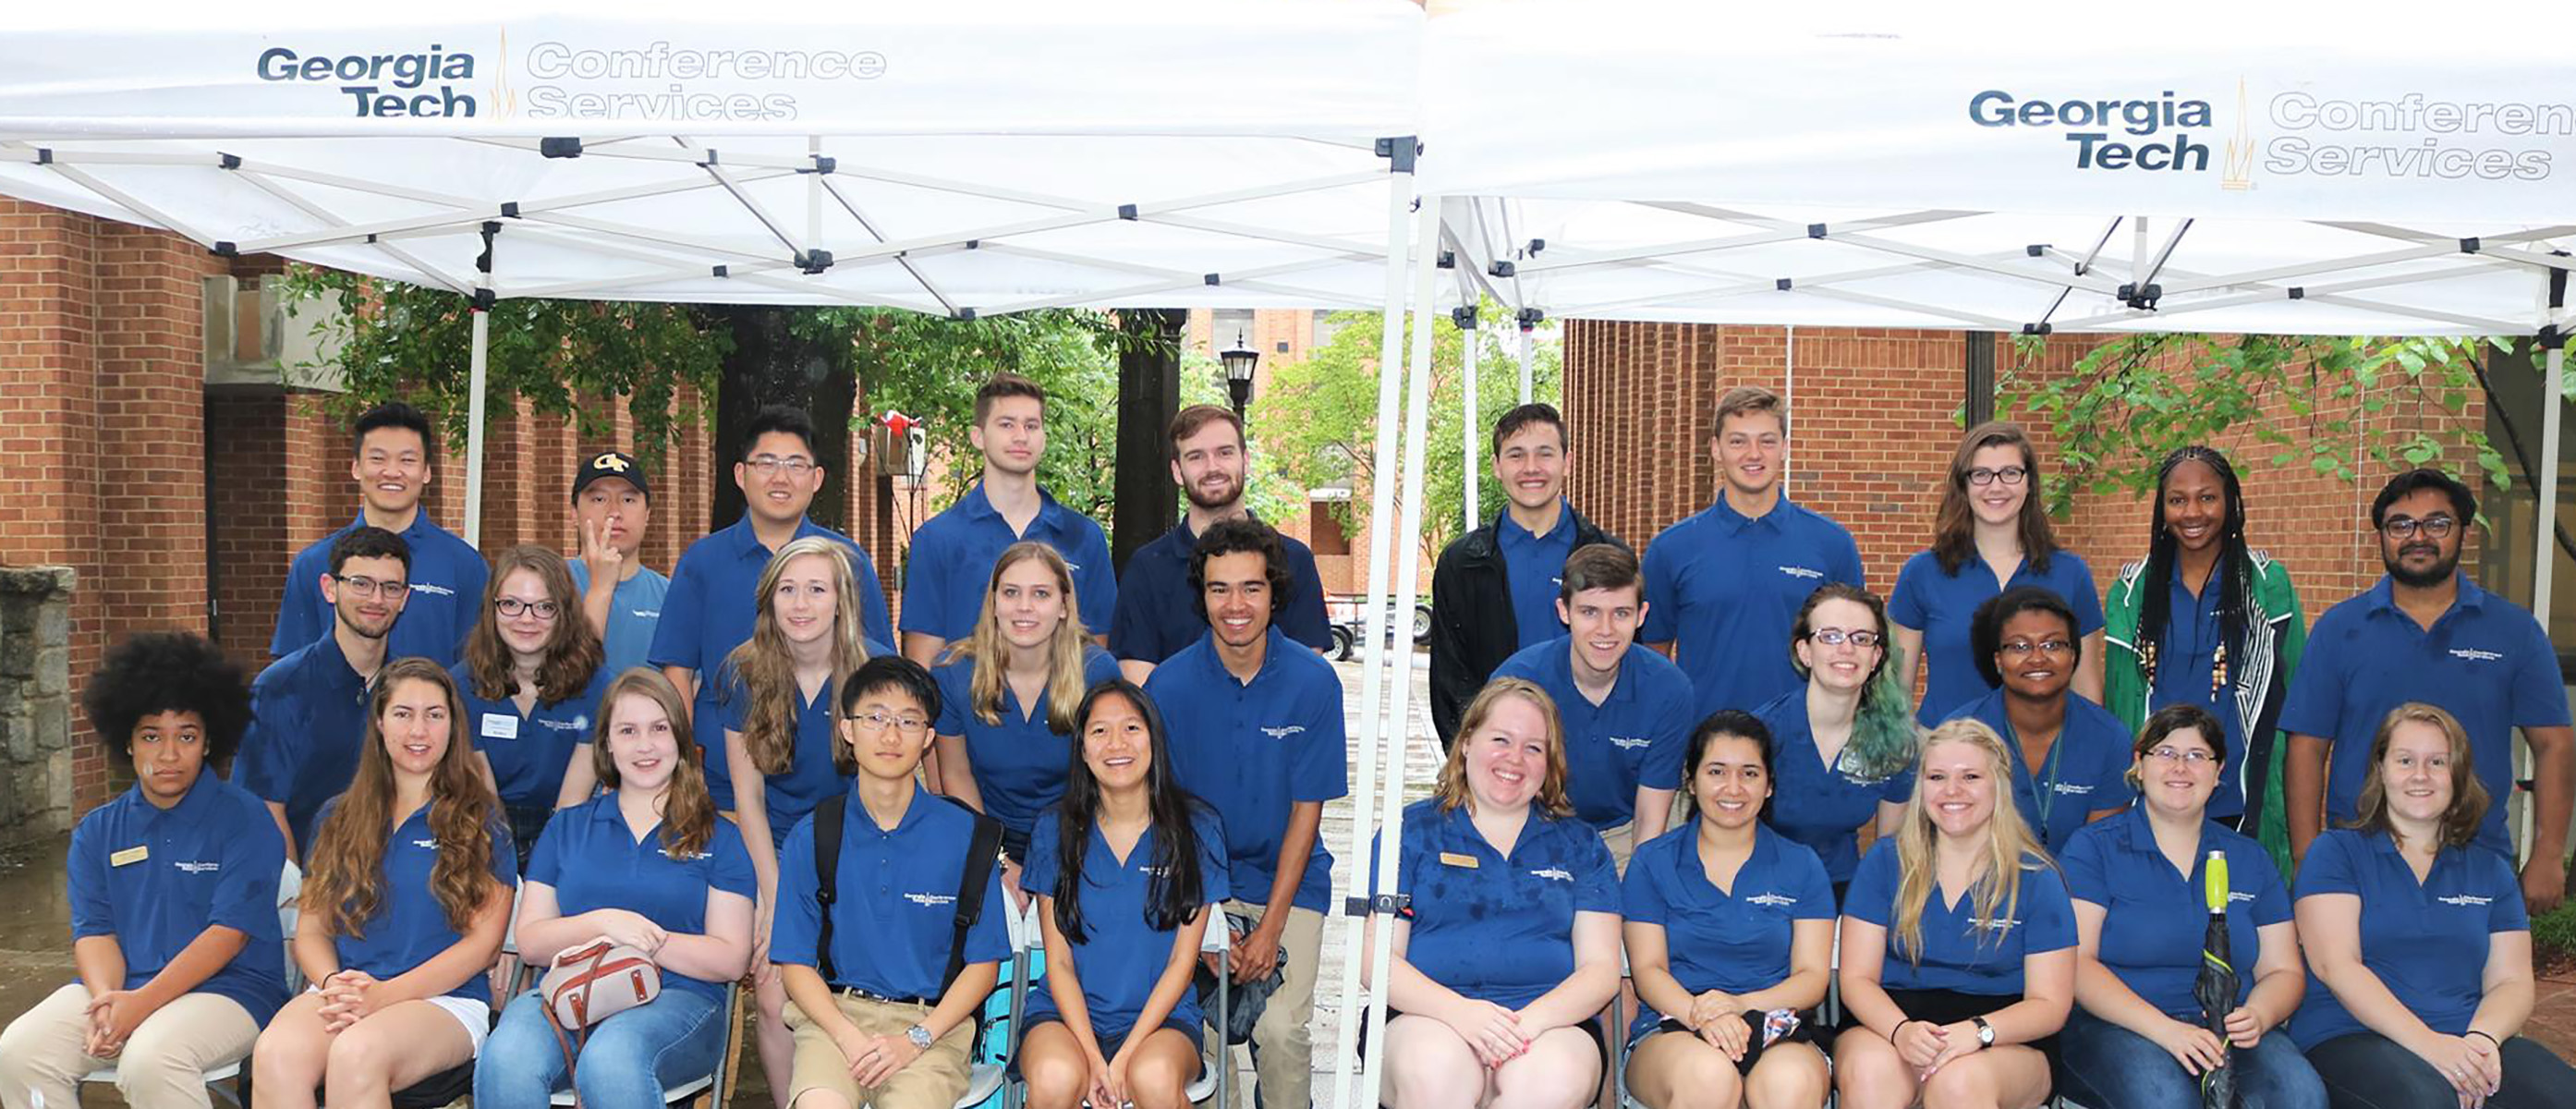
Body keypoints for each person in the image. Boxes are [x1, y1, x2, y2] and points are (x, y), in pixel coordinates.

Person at [0, 633, 286, 1109]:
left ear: (209, 739)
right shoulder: (97, 831)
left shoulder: (245, 819)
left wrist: (141, 1004)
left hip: (231, 992)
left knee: (152, 1059)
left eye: (186, 736)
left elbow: (230, 934)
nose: (169, 754)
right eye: (152, 735)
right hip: (123, 987)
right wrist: (108, 1000)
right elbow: (95, 932)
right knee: (19, 1052)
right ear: (128, 743)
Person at [2283, 468, 2572, 913]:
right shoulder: (2340, 629)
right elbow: (2306, 748)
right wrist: (2308, 858)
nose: (2418, 536)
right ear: (2381, 535)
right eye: (2400, 524)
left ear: (2464, 533)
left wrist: (2549, 854)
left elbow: (2554, 745)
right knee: (2349, 979)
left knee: (2483, 982)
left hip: (2476, 859)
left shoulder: (2514, 630)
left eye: (2437, 523)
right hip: (2359, 861)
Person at [473, 669, 756, 1109]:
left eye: (659, 728)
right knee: (505, 1055)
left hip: (679, 999)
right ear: (606, 743)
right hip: (570, 993)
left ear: (680, 739)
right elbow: (531, 942)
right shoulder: (566, 828)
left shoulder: (720, 836)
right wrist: (606, 924)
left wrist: (642, 940)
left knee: (611, 1057)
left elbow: (731, 957)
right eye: (628, 731)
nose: (645, 745)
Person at [248, 659, 516, 1109]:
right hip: (345, 991)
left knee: (357, 1053)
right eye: (403, 713)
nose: (419, 730)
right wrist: (335, 984)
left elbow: (484, 946)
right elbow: (311, 931)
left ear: (453, 726)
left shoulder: (482, 821)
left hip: (443, 1002)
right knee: (276, 1054)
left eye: (434, 714)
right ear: (379, 722)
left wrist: (385, 996)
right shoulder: (337, 817)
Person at [1141, 518, 1345, 1109]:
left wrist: (1270, 929)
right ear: (1201, 594)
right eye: (1219, 589)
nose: (1236, 605)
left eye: (1251, 588)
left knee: (1280, 1033)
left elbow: (1308, 812)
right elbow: (1165, 814)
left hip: (1290, 884)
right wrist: (1206, 924)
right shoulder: (1169, 685)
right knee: (1201, 1036)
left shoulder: (1313, 683)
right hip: (1200, 888)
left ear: (1274, 593)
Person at [2291, 703, 2576, 1109]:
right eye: (2405, 760)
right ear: (2382, 769)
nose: (2420, 775)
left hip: (2465, 1036)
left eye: (2437, 762)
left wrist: (2480, 1042)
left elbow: (2511, 981)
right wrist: (2434, 1049)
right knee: (2426, 1101)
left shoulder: (2490, 871)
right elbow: (2337, 966)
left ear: (2457, 775)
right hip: (2351, 1035)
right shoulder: (2336, 854)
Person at [1366, 677, 1622, 1109]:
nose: (1514, 759)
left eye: (1533, 748)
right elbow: (1377, 960)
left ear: (1550, 765)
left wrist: (1522, 1025)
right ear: (1466, 742)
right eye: (1501, 739)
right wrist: (1464, 1015)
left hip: (1548, 1026)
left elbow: (1600, 971)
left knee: (1549, 1085)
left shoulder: (1581, 846)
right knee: (1434, 1077)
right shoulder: (1409, 833)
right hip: (1428, 1017)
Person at [772, 656, 1011, 1109]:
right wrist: (848, 1036)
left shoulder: (969, 837)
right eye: (875, 718)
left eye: (908, 721)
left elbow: (984, 967)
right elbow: (794, 963)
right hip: (835, 1021)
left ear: (928, 738)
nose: (890, 734)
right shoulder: (815, 834)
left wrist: (915, 1039)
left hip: (932, 1027)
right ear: (847, 730)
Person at [2056, 704, 2324, 1109]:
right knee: (2167, 1101)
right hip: (2119, 1025)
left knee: (2300, 1095)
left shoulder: (2250, 859)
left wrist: (2259, 1014)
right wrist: (2166, 1031)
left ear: (2218, 774)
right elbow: (2077, 964)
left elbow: (2284, 970)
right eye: (2165, 753)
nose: (2180, 767)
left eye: (2198, 756)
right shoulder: (2093, 848)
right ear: (2139, 765)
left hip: (2228, 1028)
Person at [650, 404, 893, 842]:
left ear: (816, 479)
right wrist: (685, 769)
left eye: (796, 465)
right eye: (767, 463)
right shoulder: (703, 562)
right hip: (727, 793)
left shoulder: (848, 563)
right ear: (741, 475)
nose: (781, 478)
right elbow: (676, 674)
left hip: (840, 792)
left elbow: (881, 678)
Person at [717, 537, 885, 1106]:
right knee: (772, 987)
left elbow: (893, 793)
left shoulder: (877, 671)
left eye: (817, 589)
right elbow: (748, 797)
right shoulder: (743, 673)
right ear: (769, 600)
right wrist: (773, 896)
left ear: (841, 600)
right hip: (778, 849)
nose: (801, 603)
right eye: (788, 589)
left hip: (860, 847)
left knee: (856, 984)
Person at [1833, 718, 2076, 1109]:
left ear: (1998, 785)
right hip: (1894, 1022)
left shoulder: (2037, 879)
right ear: (1921, 786)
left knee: (1958, 1083)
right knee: (1870, 1073)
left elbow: (2050, 1005)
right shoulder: (1884, 862)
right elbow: (1857, 979)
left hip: (2003, 1036)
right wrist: (1900, 1032)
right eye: (1937, 776)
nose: (1952, 791)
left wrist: (1978, 1033)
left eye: (1971, 777)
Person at [1019, 681, 1231, 1109]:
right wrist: (1095, 1058)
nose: (1117, 743)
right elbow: (1058, 963)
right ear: (1081, 748)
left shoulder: (1198, 829)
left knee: (1151, 1077)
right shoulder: (1053, 829)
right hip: (1064, 1018)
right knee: (1055, 1076)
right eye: (1099, 731)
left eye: (1132, 728)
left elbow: (1181, 963)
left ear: (1154, 738)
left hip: (1162, 1022)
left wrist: (1126, 1055)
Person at [1622, 710, 1835, 1109]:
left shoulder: (1802, 865)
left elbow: (1812, 978)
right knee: (1709, 1078)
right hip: (1673, 1028)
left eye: (1750, 773)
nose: (1733, 788)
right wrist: (1702, 1014)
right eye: (1716, 771)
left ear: (1769, 785)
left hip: (1775, 1028)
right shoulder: (1652, 862)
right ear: (1690, 779)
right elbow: (1648, 970)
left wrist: (1739, 1006)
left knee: (1789, 1084)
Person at [2103, 446, 2306, 849]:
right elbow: (2115, 704)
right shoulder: (2132, 593)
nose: (2192, 512)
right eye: (2178, 500)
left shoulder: (2268, 587)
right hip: (2152, 802)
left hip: (2240, 801)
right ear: (2162, 509)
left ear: (2231, 502)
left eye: (2207, 497)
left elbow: (2296, 699)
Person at [1643, 386, 1865, 724]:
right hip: (1706, 745)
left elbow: (1858, 648)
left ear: (1785, 448)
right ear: (1716, 449)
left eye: (1767, 441)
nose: (1753, 454)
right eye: (1738, 441)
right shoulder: (1671, 549)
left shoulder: (1832, 544)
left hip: (1807, 743)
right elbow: (1653, 657)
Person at [1491, 542, 1694, 870]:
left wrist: (1638, 900)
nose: (1605, 630)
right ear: (1563, 611)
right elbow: (1496, 794)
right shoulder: (1519, 681)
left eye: (1621, 614)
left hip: (1626, 832)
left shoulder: (1669, 689)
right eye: (1589, 612)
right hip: (1537, 828)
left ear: (1641, 615)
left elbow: (1649, 820)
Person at [1431, 402, 1622, 749]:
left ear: (1568, 462)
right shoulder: (1463, 563)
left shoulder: (1609, 557)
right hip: (1500, 759)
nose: (1531, 468)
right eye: (1516, 455)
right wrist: (1474, 757)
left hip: (1588, 755)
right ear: (1497, 467)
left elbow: (1628, 666)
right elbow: (1450, 678)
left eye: (1545, 454)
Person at [1890, 421, 2105, 725]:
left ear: (2029, 482)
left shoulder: (2071, 574)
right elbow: (1896, 693)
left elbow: (2087, 692)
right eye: (1981, 474)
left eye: (2010, 472)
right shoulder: (1923, 572)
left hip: (2041, 762)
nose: (1996, 486)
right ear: (1963, 485)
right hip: (1948, 758)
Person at [930, 542, 1122, 880]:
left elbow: (1111, 784)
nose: (1024, 607)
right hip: (987, 835)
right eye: (1011, 593)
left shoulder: (1097, 672)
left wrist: (1063, 867)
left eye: (1041, 594)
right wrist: (997, 863)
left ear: (1064, 605)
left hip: (1080, 840)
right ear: (993, 603)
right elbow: (956, 776)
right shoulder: (954, 672)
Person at [1890, 587, 2132, 854]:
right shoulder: (1959, 732)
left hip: (2075, 890)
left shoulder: (2108, 737)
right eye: (2019, 646)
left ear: (2073, 655)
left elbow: (2099, 852)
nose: (2038, 658)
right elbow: (1946, 844)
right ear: (1998, 661)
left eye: (2053, 645)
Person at [900, 373, 1116, 667]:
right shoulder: (937, 539)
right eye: (1006, 424)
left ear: (1043, 438)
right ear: (978, 436)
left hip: (1060, 710)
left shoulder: (1084, 536)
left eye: (1031, 425)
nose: (1020, 436)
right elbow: (922, 663)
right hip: (965, 710)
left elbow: (1096, 653)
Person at [1108, 403, 1331, 682]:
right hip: (1175, 726)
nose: (1212, 467)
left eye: (1224, 453)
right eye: (1196, 457)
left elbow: (1305, 682)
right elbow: (1139, 686)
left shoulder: (1293, 559)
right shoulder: (1147, 568)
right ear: (1177, 471)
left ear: (1245, 460)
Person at [236, 526, 409, 859]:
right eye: (361, 584)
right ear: (330, 589)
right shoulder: (279, 690)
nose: (376, 599)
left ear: (405, 598)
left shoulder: (413, 689)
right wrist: (298, 899)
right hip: (310, 886)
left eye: (390, 587)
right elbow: (264, 808)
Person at [271, 401, 486, 666]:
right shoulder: (313, 565)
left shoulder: (464, 565)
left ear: (426, 471)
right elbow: (293, 674)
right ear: (356, 468)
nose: (392, 472)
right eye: (378, 459)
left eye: (407, 460)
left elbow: (479, 672)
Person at [1749, 584, 1918, 898]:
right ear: (1804, 652)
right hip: (1761, 887)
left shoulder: (1896, 742)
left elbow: (1889, 851)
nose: (1847, 649)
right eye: (1830, 636)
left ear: (1876, 656)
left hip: (1843, 890)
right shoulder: (1761, 735)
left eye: (1862, 638)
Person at [453, 544, 607, 859]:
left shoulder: (597, 685)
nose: (526, 619)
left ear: (564, 612)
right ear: (491, 608)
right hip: (484, 826)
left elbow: (570, 807)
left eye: (544, 607)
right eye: (511, 604)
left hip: (566, 826)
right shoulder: (460, 685)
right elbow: (485, 804)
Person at [567, 450, 671, 680]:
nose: (614, 512)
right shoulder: (546, 584)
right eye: (599, 499)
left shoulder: (671, 596)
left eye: (628, 500)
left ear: (648, 514)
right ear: (574, 513)